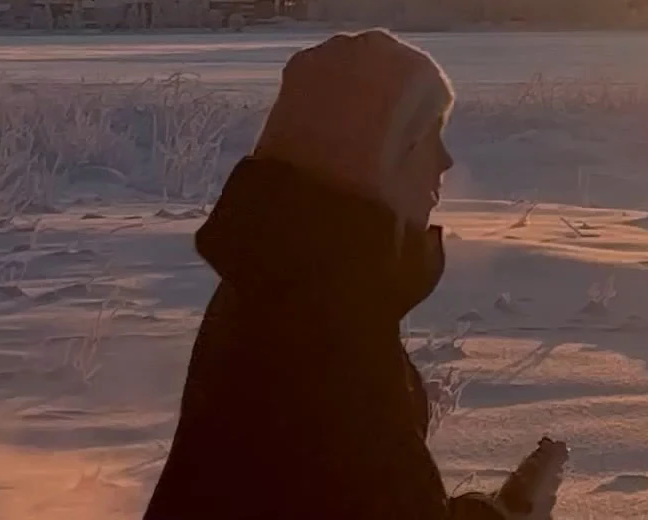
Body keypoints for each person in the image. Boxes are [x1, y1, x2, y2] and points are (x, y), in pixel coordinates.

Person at [144, 29, 565, 519]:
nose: (447, 161)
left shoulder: (289, 282)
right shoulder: (323, 328)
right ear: (380, 157)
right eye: (429, 135)